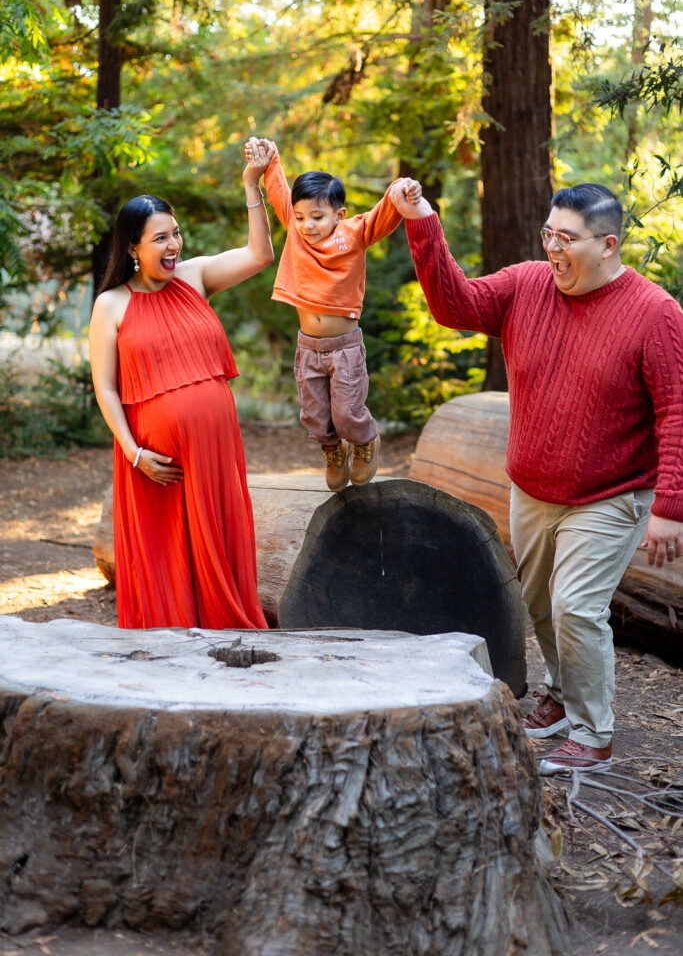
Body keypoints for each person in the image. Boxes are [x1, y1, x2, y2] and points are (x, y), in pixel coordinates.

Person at [389, 179, 683, 774]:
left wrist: (669, 507)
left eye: (566, 238)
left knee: (575, 607)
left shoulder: (655, 314)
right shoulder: (526, 284)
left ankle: (594, 734)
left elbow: (677, 409)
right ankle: (557, 692)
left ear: (607, 244)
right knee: (540, 606)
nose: (553, 248)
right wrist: (421, 221)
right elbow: (454, 306)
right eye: (548, 233)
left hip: (612, 493)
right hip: (532, 488)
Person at [89, 138, 276, 631]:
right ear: (132, 248)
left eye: (176, 234)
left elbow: (261, 254)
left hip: (215, 450)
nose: (174, 246)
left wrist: (251, 184)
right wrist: (133, 453)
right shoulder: (111, 305)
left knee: (217, 539)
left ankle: (226, 633)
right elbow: (106, 388)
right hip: (154, 462)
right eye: (160, 239)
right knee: (166, 551)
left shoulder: (194, 278)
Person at [246, 138, 421, 490]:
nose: (307, 225)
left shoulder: (353, 233)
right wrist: (270, 156)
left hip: (345, 347)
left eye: (317, 217)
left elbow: (383, 216)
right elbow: (279, 190)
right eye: (299, 217)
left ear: (338, 215)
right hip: (308, 346)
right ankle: (332, 451)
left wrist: (400, 189)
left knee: (347, 412)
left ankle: (365, 441)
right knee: (315, 416)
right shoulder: (296, 234)